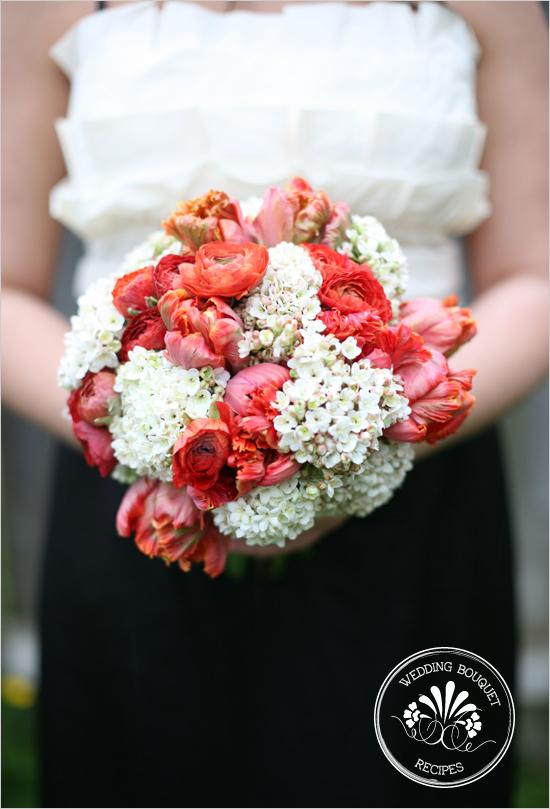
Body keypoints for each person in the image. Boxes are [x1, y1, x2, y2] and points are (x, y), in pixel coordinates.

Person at [2, 1, 547, 806]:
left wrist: (366, 442)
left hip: (416, 499)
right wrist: (159, 448)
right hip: (142, 504)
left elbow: (533, 278)